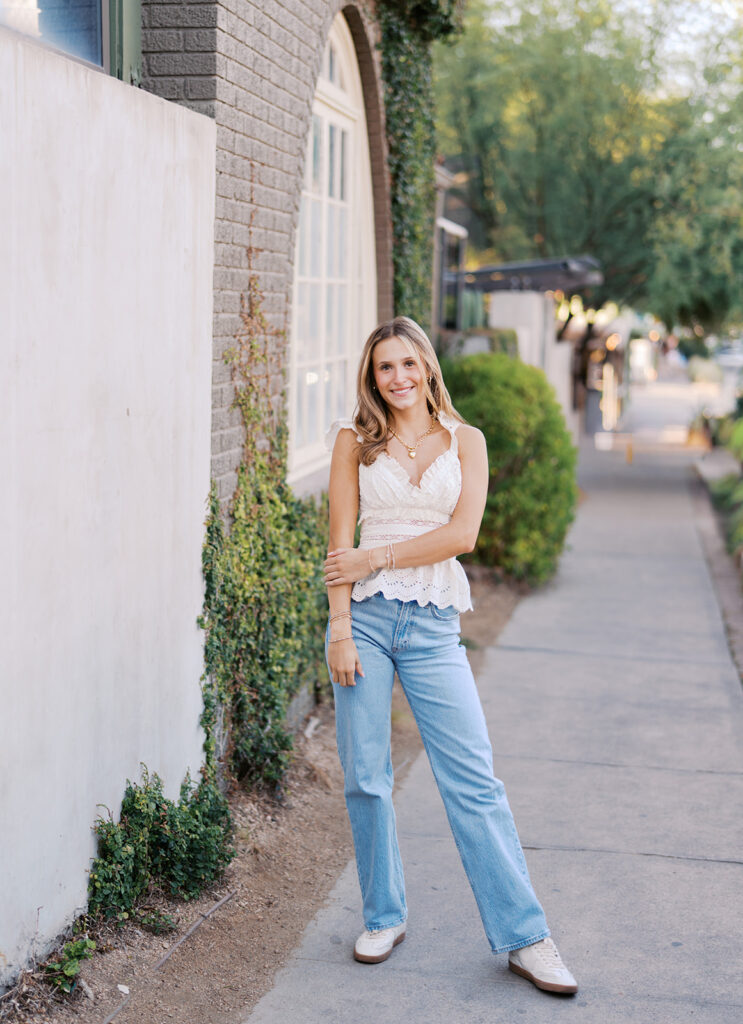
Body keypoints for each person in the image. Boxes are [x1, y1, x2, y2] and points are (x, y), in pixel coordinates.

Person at [322, 316, 578, 996]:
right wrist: (339, 628)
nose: (398, 377)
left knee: (473, 781)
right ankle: (382, 915)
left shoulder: (467, 442)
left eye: (408, 363)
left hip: (433, 623)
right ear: (371, 377)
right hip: (366, 624)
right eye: (385, 368)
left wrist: (377, 556)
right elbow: (336, 546)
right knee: (366, 777)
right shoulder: (353, 442)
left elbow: (461, 535)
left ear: (428, 367)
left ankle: (526, 937)